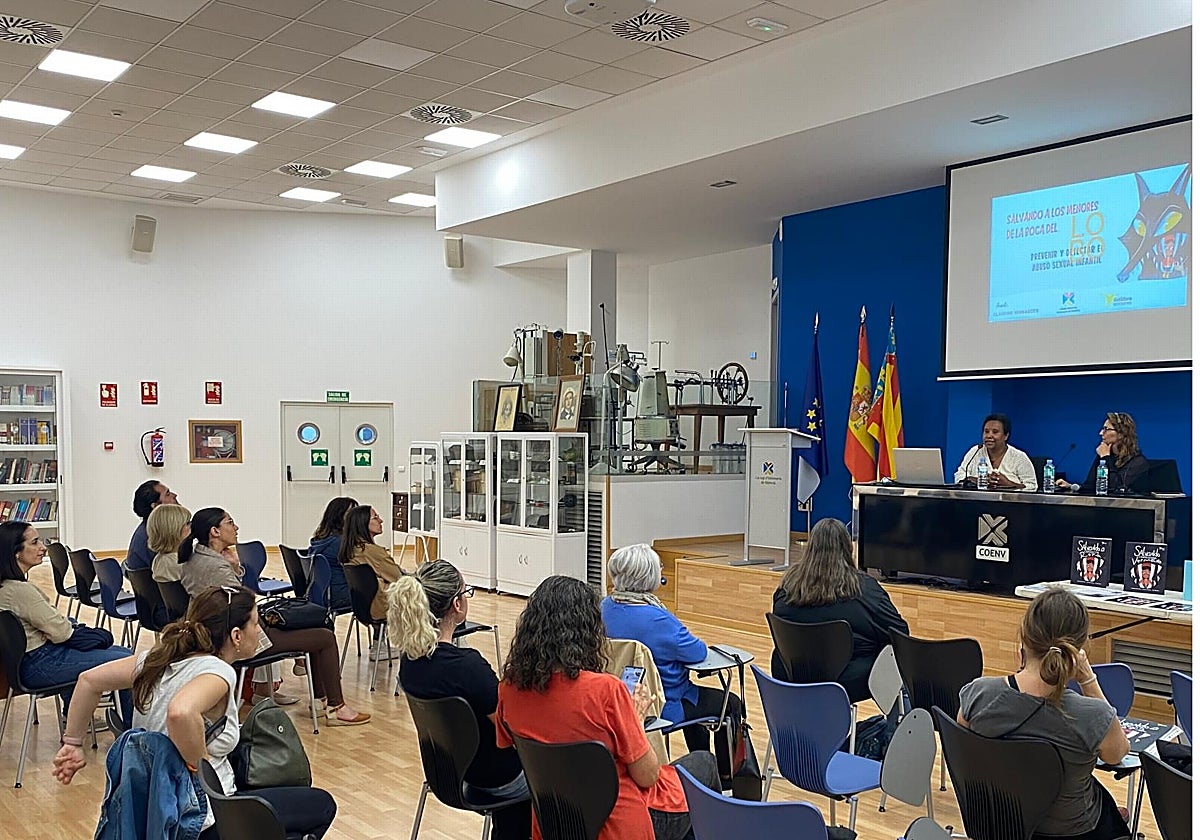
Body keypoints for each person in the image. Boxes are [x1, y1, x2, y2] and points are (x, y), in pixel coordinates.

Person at [53, 587, 339, 839]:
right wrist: (197, 767)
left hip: (162, 812)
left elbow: (88, 681)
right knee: (321, 804)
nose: (260, 630)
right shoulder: (217, 671)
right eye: (256, 622)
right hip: (203, 819)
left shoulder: (156, 660)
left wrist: (73, 743)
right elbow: (181, 711)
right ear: (236, 635)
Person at [497, 575, 720, 840]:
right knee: (704, 764)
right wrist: (636, 720)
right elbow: (647, 775)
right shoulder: (606, 691)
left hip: (553, 824)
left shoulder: (508, 689)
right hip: (617, 826)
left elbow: (514, 749)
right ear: (588, 632)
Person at [958, 587, 1131, 840]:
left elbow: (965, 747)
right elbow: (1117, 754)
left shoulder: (977, 694)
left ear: (1024, 638)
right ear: (1079, 648)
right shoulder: (1093, 715)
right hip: (1072, 833)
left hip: (998, 825)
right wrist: (1088, 679)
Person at [177, 507, 370, 726]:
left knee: (314, 632)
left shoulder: (196, 558)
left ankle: (321, 702)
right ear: (215, 531)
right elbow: (243, 606)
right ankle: (336, 708)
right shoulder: (215, 565)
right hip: (237, 639)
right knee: (324, 637)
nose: (236, 527)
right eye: (230, 523)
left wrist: (234, 567)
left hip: (221, 633)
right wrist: (233, 568)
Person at [390, 560, 531, 840]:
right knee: (563, 777)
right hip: (497, 780)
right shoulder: (467, 667)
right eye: (466, 592)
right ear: (457, 605)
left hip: (448, 774)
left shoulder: (409, 663)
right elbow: (510, 729)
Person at [600, 544, 740, 753]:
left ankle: (701, 763)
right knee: (731, 703)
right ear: (648, 577)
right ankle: (725, 776)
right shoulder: (659, 619)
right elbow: (698, 653)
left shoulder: (604, 608)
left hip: (615, 703)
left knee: (697, 703)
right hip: (663, 704)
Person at [0, 521, 133, 722]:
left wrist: (53, 629)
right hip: (41, 663)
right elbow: (62, 633)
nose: (43, 548)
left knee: (121, 655)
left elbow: (55, 629)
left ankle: (74, 717)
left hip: (24, 664)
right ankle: (128, 727)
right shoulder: (19, 591)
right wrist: (57, 629)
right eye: (35, 542)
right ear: (15, 552)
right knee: (129, 661)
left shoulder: (6, 588)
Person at [771, 518, 909, 703]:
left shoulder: (787, 588)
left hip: (792, 673)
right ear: (847, 549)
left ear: (811, 548)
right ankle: (895, 728)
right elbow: (899, 633)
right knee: (896, 659)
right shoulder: (865, 589)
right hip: (847, 681)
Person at [1057, 412, 1150, 495]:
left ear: (1121, 434)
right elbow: (1090, 485)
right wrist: (1071, 486)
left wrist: (1105, 458)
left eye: (1106, 429)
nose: (1101, 433)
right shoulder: (1106, 454)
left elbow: (1117, 489)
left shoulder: (1137, 462)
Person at [338, 505, 402, 623]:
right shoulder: (373, 552)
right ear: (362, 523)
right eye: (375, 518)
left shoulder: (351, 549)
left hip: (362, 607)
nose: (380, 520)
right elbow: (399, 578)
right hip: (383, 606)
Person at [952, 413, 1037, 490]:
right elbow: (959, 475)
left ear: (1006, 436)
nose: (989, 436)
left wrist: (1008, 484)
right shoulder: (976, 451)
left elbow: (1032, 486)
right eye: (986, 432)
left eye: (995, 432)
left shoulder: (1019, 457)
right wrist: (978, 481)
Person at [308, 497, 356, 610]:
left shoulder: (319, 540)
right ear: (339, 516)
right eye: (352, 513)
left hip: (320, 594)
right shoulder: (341, 543)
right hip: (339, 596)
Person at [126, 480, 179, 572]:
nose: (174, 495)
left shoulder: (147, 527)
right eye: (167, 494)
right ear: (155, 506)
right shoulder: (156, 536)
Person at [148, 503, 191, 584]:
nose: (191, 527)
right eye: (188, 524)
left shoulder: (159, 560)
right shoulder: (179, 564)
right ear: (175, 529)